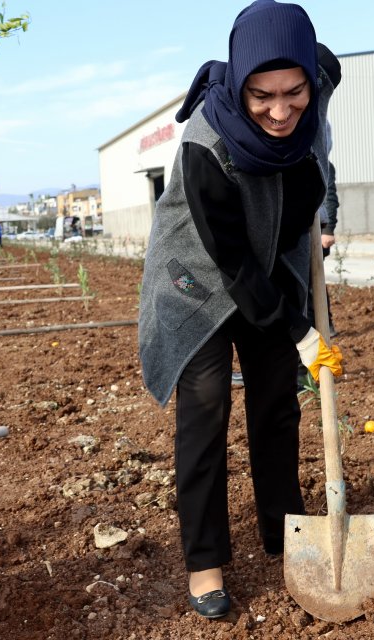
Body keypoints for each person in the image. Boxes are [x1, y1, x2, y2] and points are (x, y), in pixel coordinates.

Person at [136, 0, 342, 619]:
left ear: (309, 77)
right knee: (206, 413)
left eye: (293, 93)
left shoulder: (319, 86)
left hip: (270, 261)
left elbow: (319, 162)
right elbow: (231, 261)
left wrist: (324, 215)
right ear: (241, 83)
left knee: (276, 405)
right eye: (261, 97)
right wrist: (299, 327)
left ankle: (287, 537)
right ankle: (205, 562)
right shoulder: (205, 144)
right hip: (196, 278)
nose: (280, 111)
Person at [232, 43, 341, 391]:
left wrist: (327, 225)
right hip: (279, 231)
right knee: (287, 297)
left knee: (306, 295)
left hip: (308, 228)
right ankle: (294, 362)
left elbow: (327, 177)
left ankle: (304, 364)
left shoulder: (317, 126)